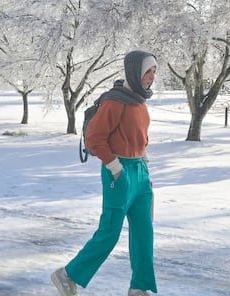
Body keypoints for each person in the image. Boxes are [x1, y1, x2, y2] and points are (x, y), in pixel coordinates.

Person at [51, 50, 159, 296]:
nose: (151, 76)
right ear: (135, 71)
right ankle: (67, 275)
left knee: (144, 232)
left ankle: (139, 287)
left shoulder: (140, 102)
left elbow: (139, 139)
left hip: (140, 173)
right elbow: (94, 138)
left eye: (154, 71)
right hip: (118, 173)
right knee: (109, 233)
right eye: (147, 71)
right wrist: (115, 167)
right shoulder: (115, 101)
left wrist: (144, 170)